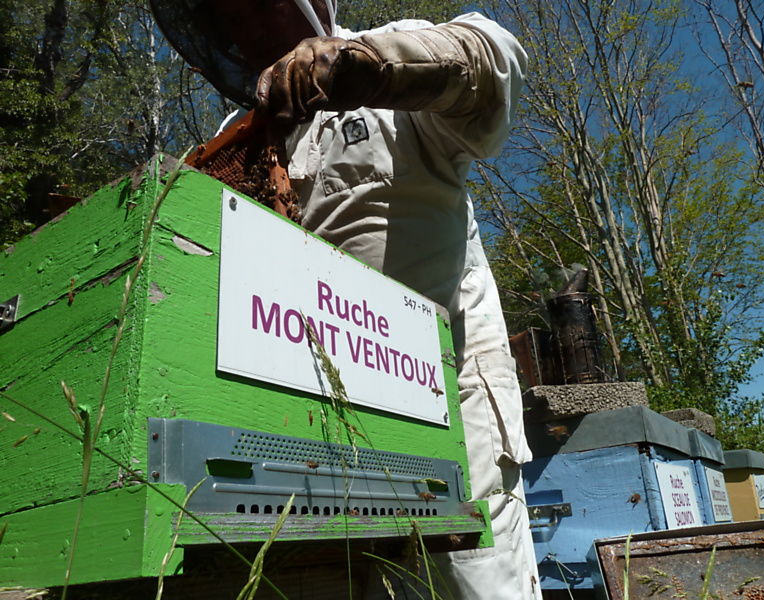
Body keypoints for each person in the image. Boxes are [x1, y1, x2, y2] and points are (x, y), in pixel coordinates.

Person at [150, 1, 540, 598]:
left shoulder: (388, 48)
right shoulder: (239, 135)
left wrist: (368, 68)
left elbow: (493, 61)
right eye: (230, 18)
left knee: (470, 583)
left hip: (453, 408)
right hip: (317, 429)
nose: (246, 27)